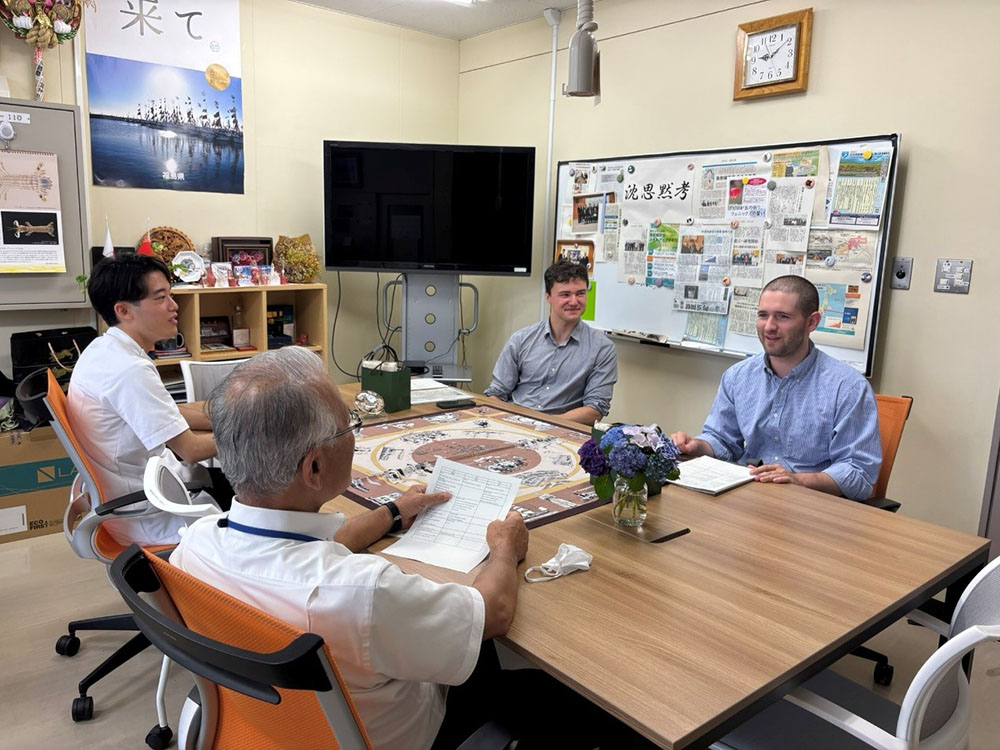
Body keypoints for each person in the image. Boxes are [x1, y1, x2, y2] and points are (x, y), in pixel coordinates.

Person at [170, 347, 635, 750]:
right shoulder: (362, 592)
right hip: (403, 734)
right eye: (348, 426)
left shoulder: (195, 545)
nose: (353, 434)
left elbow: (307, 553)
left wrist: (392, 513)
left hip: (269, 726)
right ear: (313, 468)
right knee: (559, 692)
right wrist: (503, 549)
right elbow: (493, 612)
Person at [670, 275, 881, 500]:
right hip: (750, 499)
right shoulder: (737, 376)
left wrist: (797, 480)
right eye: (763, 315)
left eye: (782, 317)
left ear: (812, 322)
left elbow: (858, 474)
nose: (769, 327)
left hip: (812, 508)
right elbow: (722, 441)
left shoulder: (848, 387)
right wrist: (697, 446)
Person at [68, 254, 224, 545]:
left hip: (133, 493)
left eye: (171, 295)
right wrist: (258, 431)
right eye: (161, 297)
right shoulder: (128, 370)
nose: (174, 306)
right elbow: (190, 449)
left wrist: (232, 416)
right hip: (148, 511)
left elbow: (165, 411)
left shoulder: (104, 349)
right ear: (124, 310)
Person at [484, 260, 617, 426]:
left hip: (562, 431)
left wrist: (540, 423)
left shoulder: (602, 349)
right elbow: (496, 393)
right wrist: (510, 423)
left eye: (580, 293)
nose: (574, 301)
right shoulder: (521, 339)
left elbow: (595, 410)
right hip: (514, 424)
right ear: (548, 296)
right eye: (565, 294)